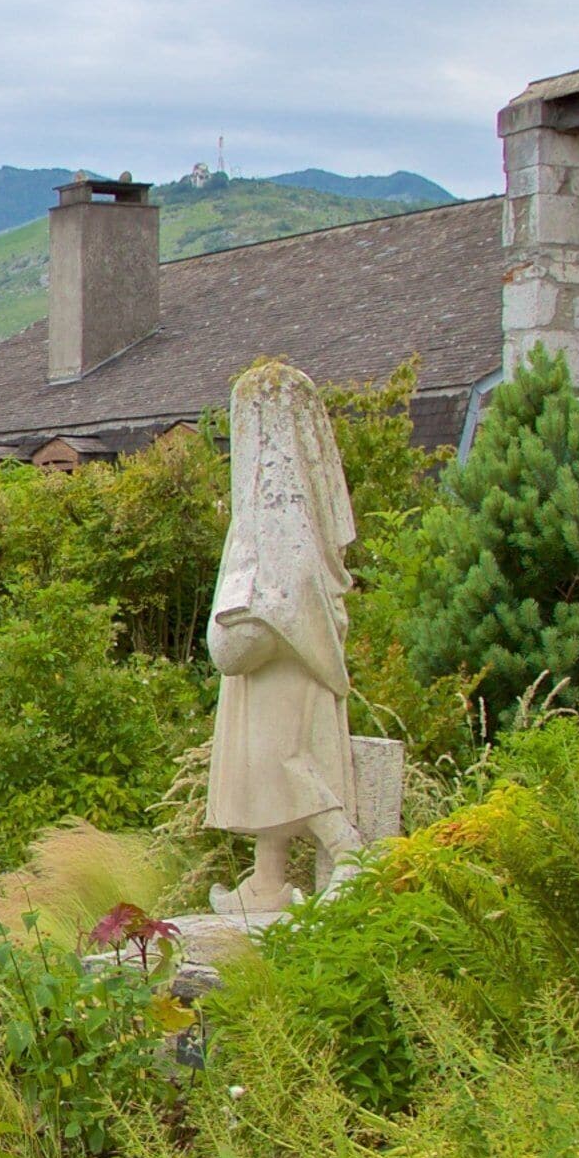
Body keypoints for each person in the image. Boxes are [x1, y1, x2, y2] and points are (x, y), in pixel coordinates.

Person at [204, 359, 358, 912]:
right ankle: (266, 882)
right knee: (264, 758)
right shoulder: (274, 507)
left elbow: (285, 585)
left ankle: (349, 854)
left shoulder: (281, 503)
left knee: (283, 756)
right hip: (277, 651)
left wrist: (250, 625)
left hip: (287, 651)